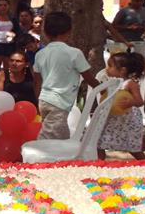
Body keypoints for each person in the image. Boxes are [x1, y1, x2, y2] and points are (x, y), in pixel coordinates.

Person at [33, 11, 99, 140]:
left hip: (44, 101)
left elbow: (37, 82)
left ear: (45, 33)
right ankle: (39, 158)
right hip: (59, 103)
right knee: (53, 138)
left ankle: (53, 157)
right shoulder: (74, 53)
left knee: (56, 134)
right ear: (69, 31)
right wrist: (103, 88)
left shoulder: (40, 54)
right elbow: (88, 77)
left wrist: (38, 100)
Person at [97, 52, 145, 160]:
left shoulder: (130, 83)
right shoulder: (111, 82)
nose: (107, 69)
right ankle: (99, 163)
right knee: (100, 143)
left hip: (127, 121)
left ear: (122, 70)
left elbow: (140, 101)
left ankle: (144, 163)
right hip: (112, 120)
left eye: (110, 66)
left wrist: (130, 103)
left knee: (133, 147)